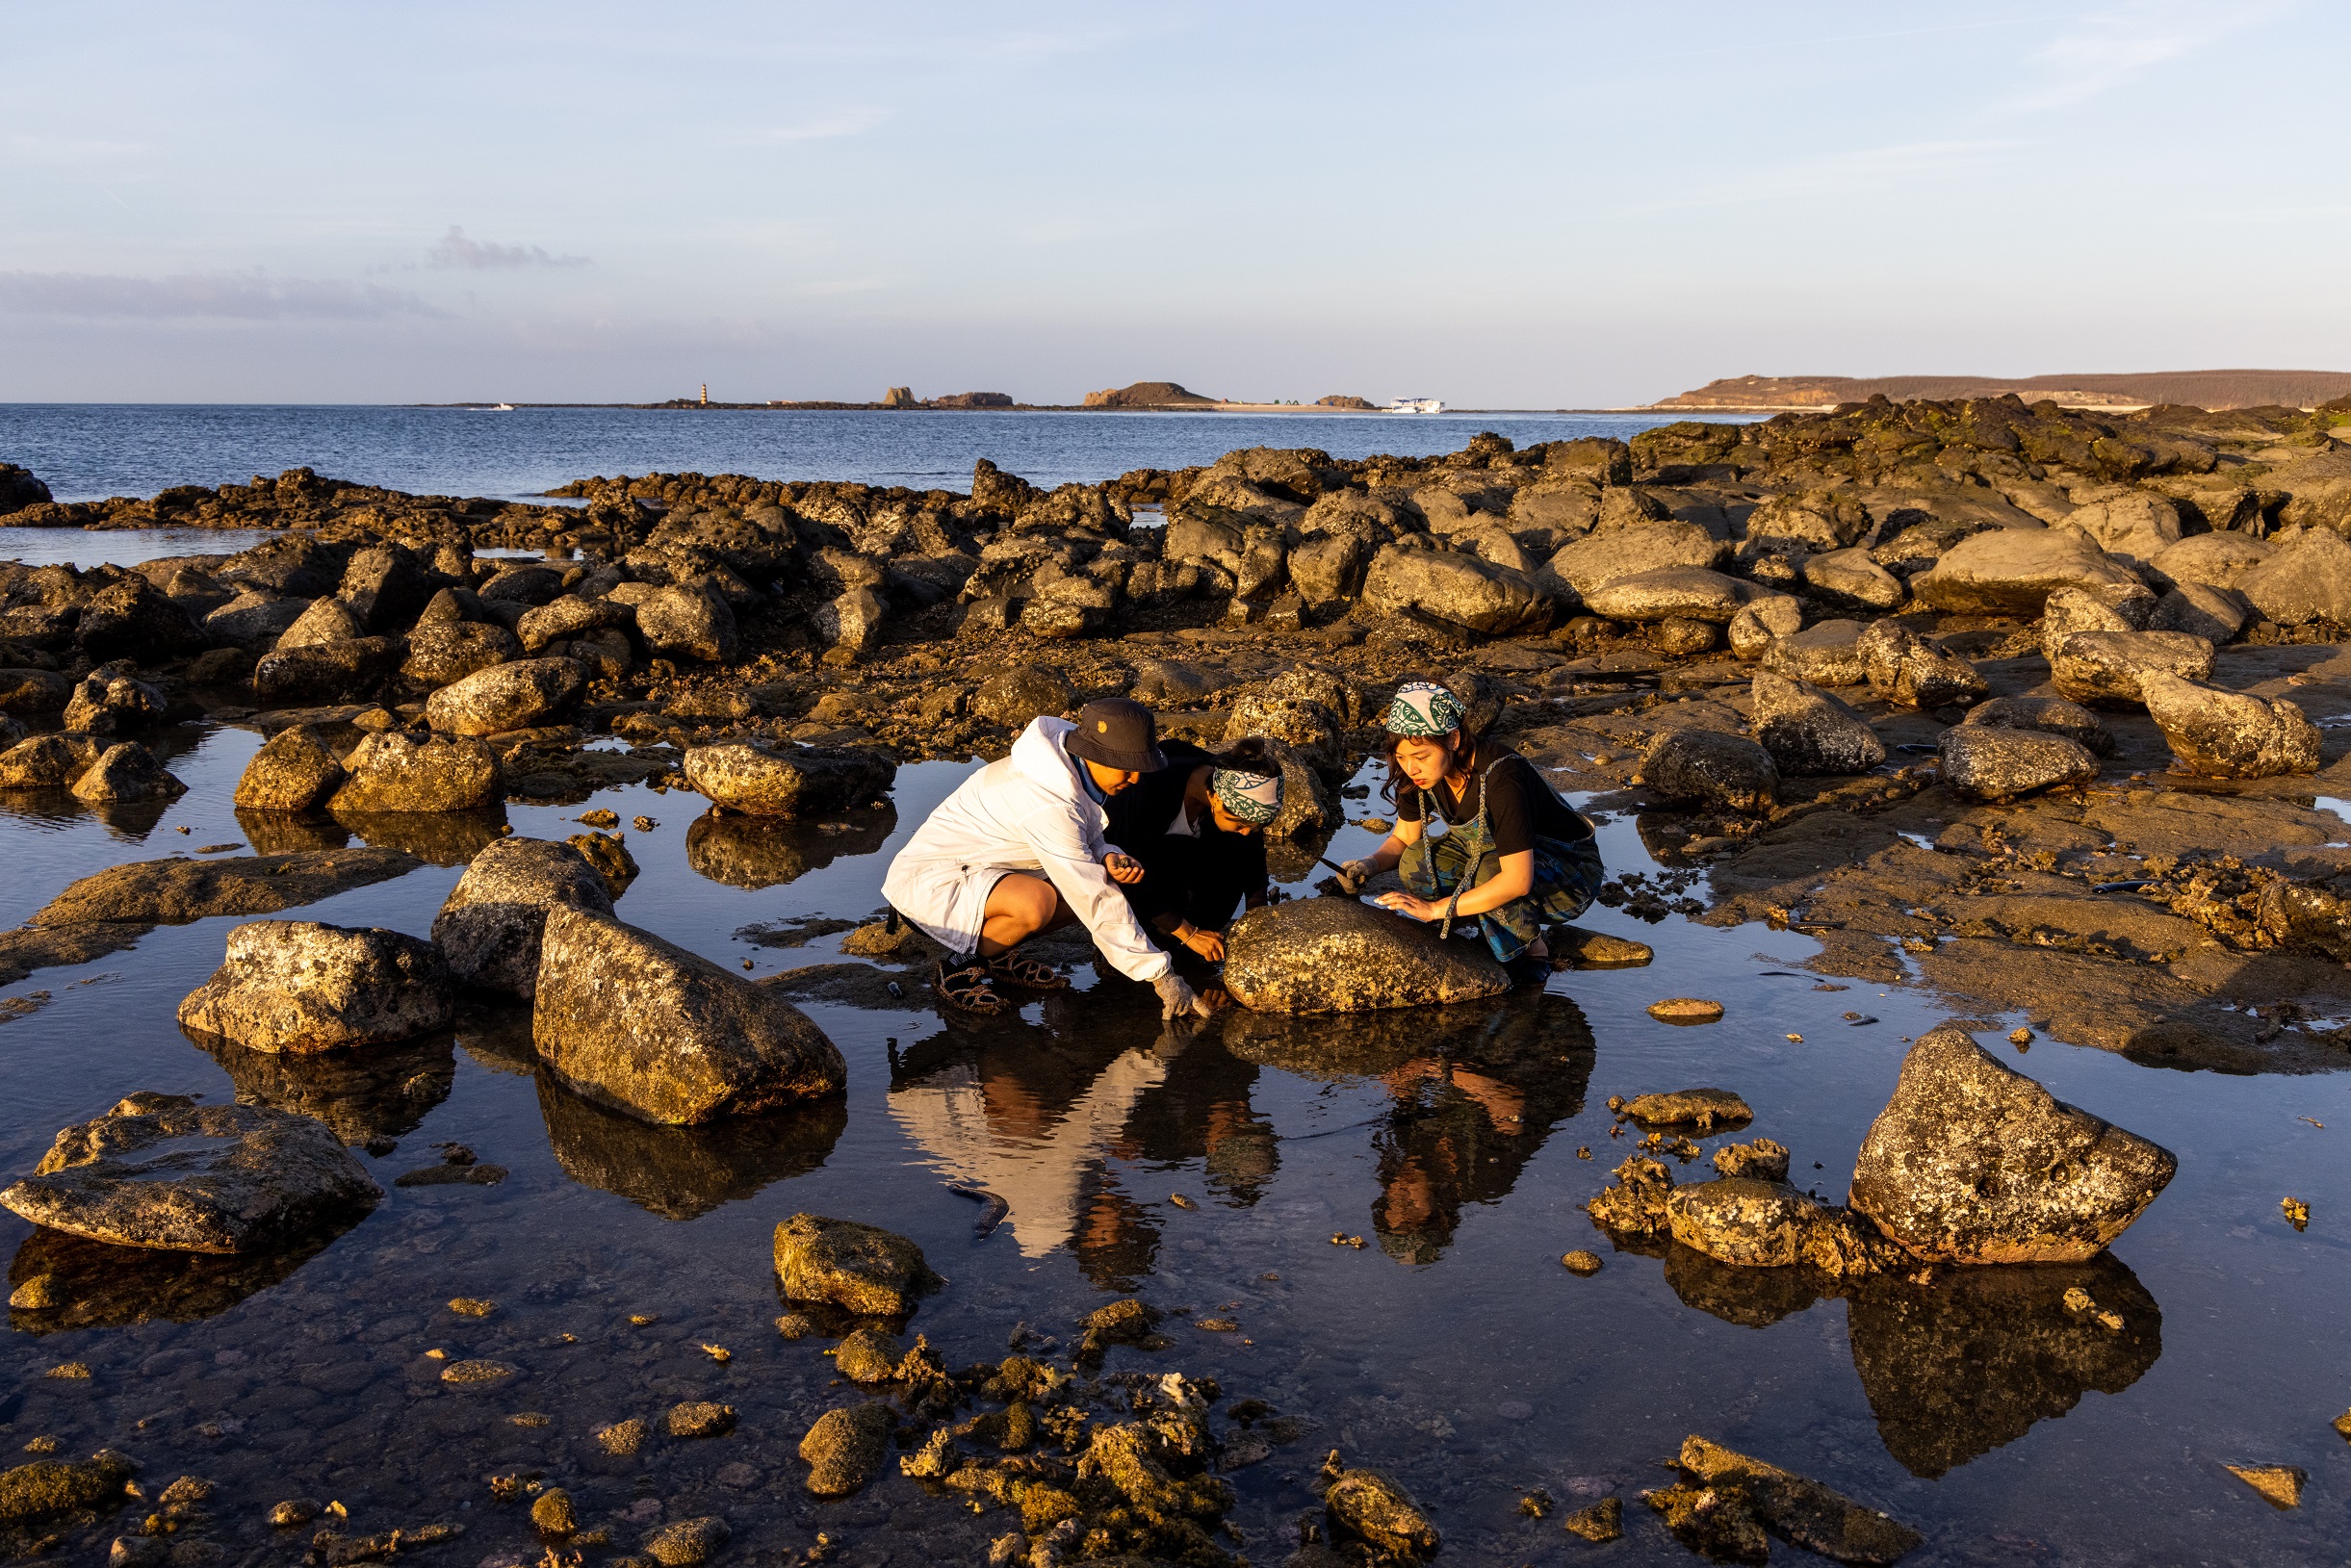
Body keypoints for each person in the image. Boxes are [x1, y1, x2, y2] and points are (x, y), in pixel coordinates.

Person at [883, 697, 1213, 1020]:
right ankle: (960, 966)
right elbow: (1092, 896)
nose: (1137, 778)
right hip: (930, 886)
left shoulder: (1066, 767)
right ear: (1095, 754)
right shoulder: (1049, 800)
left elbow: (1084, 837)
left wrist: (1107, 853)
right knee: (1039, 903)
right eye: (1128, 768)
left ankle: (996, 952)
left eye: (1141, 768)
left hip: (984, 869)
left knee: (1100, 878)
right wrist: (1161, 975)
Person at [1339, 681, 1604, 969]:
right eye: (1401, 758)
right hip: (1488, 855)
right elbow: (1404, 839)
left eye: (1421, 756)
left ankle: (1533, 950)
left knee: (1493, 872)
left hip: (1568, 874)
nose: (1410, 768)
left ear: (1453, 739)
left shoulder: (1502, 776)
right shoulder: (1419, 774)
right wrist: (1367, 866)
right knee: (1416, 862)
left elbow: (1517, 880)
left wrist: (1436, 909)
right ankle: (1483, 921)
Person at [1103, 736, 1283, 962]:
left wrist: (1257, 924)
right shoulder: (1152, 787)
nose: (1246, 831)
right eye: (1240, 823)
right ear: (1216, 799)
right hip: (1139, 891)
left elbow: (1253, 865)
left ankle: (1192, 945)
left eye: (1254, 827)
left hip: (1189, 887)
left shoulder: (1240, 792)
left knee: (1238, 853)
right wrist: (1189, 934)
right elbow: (1130, 875)